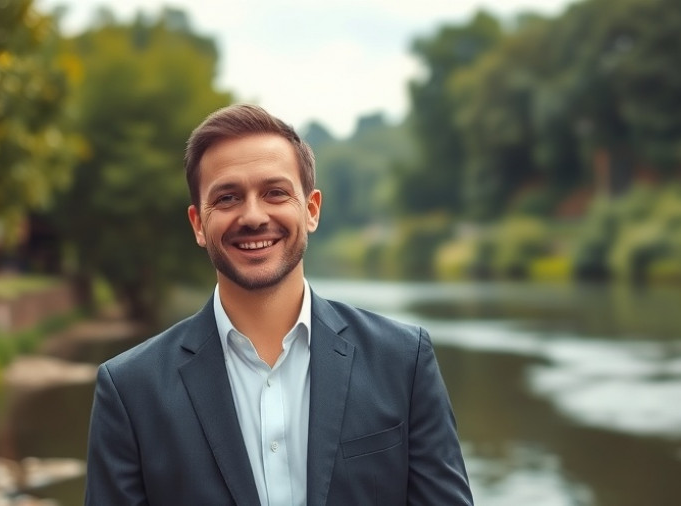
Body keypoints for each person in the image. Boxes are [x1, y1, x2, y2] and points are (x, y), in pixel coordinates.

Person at [84, 104, 473, 505]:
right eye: (228, 197)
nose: (253, 216)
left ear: (311, 209)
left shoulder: (403, 362)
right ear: (198, 224)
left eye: (275, 192)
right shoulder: (130, 391)